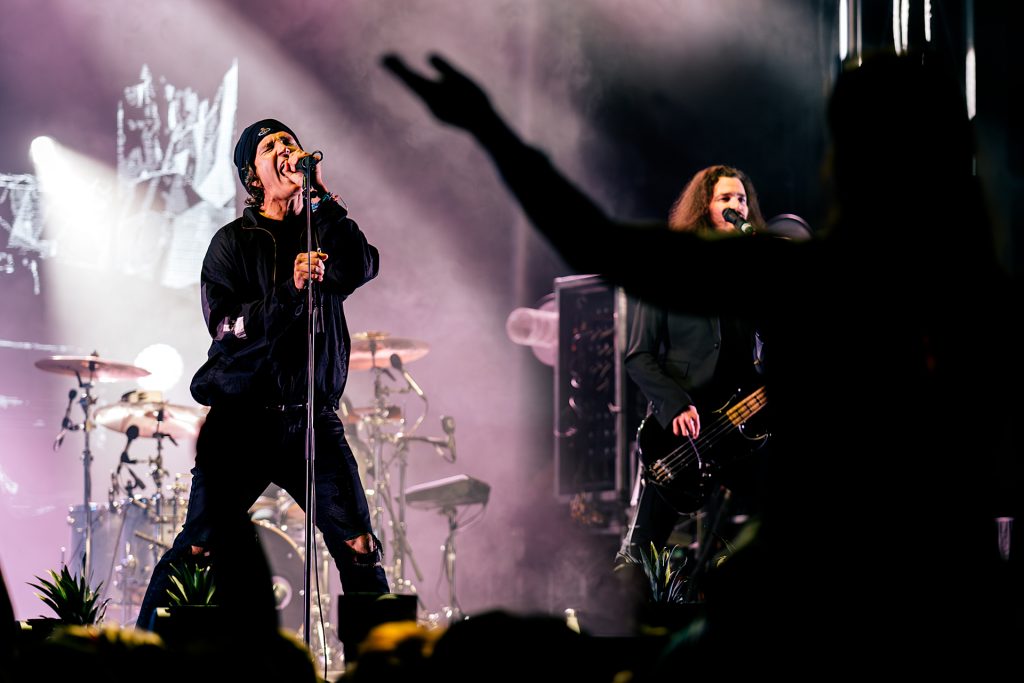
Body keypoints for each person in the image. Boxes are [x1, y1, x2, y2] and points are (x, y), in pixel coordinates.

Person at [383, 50, 1020, 671]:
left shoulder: (805, 275)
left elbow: (597, 240)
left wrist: (489, 127)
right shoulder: (986, 297)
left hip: (812, 584)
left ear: (843, 162)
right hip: (948, 590)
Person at [135, 118, 389, 633]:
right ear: (253, 175)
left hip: (312, 421)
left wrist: (321, 198)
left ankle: (387, 669)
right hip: (241, 422)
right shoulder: (230, 243)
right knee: (200, 545)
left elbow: (362, 265)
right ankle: (141, 658)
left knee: (360, 547)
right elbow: (226, 325)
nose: (284, 150)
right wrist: (291, 289)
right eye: (270, 146)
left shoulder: (318, 229)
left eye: (288, 142)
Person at [617, 165, 769, 597]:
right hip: (683, 431)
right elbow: (638, 355)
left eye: (742, 199)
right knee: (641, 555)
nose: (737, 206)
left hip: (743, 426)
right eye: (726, 199)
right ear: (705, 206)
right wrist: (675, 404)